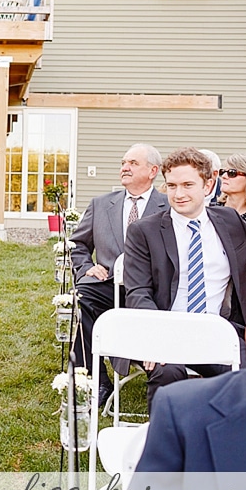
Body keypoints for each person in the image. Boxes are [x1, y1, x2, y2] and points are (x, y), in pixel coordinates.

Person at [124, 147, 246, 410]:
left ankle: (239, 444)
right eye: (171, 186)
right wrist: (155, 338)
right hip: (167, 333)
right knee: (167, 379)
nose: (178, 194)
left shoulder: (229, 221)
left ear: (208, 185)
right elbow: (138, 293)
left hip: (221, 331)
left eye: (187, 185)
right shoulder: (144, 231)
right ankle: (168, 446)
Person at [134, 278, 246, 472]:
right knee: (167, 372)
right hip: (167, 336)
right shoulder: (182, 418)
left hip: (220, 335)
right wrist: (159, 338)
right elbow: (138, 291)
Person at [70, 144, 168, 408]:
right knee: (83, 295)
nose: (125, 167)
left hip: (151, 290)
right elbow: (77, 244)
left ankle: (159, 365)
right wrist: (85, 267)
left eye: (134, 163)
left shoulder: (168, 206)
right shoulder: (101, 205)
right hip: (107, 285)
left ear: (153, 171)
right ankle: (96, 380)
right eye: (123, 162)